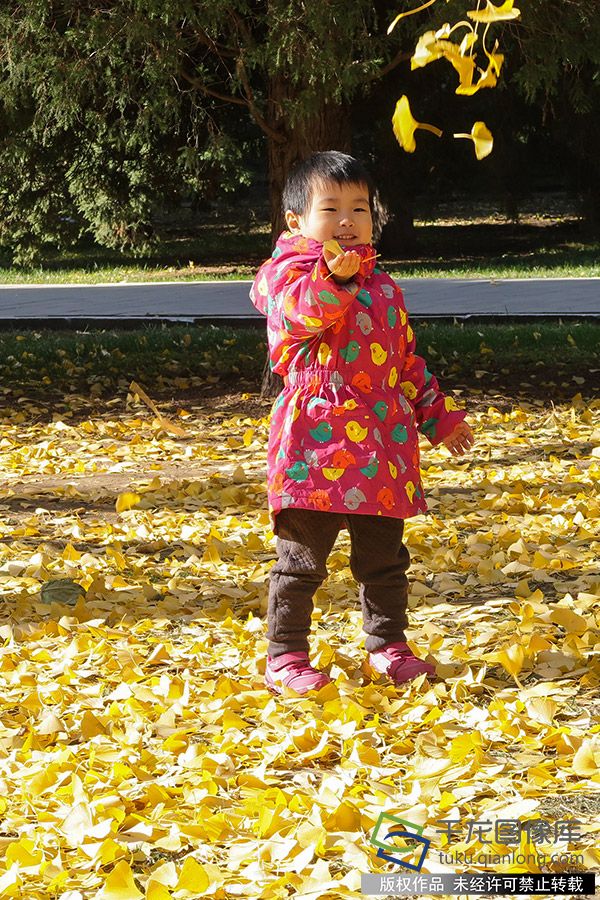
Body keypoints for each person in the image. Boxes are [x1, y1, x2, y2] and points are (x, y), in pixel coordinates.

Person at [250, 151, 474, 695]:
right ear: (296, 222)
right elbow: (298, 314)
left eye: (360, 208)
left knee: (384, 559)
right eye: (331, 209)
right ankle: (286, 654)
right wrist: (334, 278)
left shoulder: (383, 286)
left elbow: (404, 363)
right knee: (301, 561)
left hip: (382, 447)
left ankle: (388, 646)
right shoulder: (286, 276)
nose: (348, 221)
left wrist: (437, 416)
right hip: (315, 446)